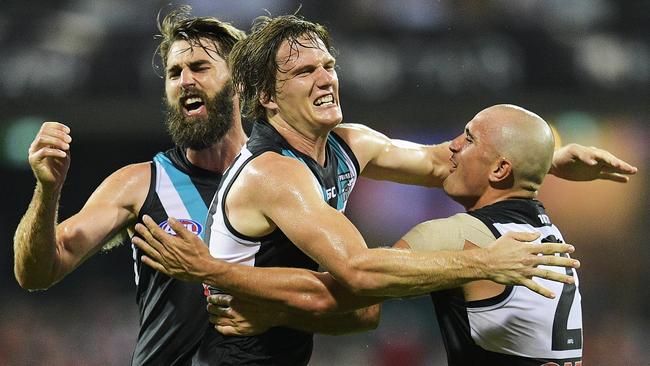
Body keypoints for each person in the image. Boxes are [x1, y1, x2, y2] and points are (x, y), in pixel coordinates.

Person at [132, 15, 636, 365]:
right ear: (266, 97)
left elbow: (446, 161)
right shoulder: (273, 174)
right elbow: (359, 270)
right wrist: (486, 262)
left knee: (364, 311)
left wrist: (544, 160)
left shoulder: (351, 143)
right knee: (365, 299)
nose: (326, 78)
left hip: (281, 345)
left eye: (328, 65)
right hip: (230, 361)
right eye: (305, 72)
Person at [208, 104, 587, 365]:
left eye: (468, 140)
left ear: (502, 169)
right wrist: (545, 160)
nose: (452, 146)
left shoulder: (460, 236)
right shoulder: (545, 232)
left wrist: (217, 273)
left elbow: (359, 293)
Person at [13, 7, 247, 365]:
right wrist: (47, 192)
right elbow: (35, 272)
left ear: (241, 81)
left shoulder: (284, 180)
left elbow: (350, 307)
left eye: (199, 67)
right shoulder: (139, 184)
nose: (184, 81)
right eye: (174, 73)